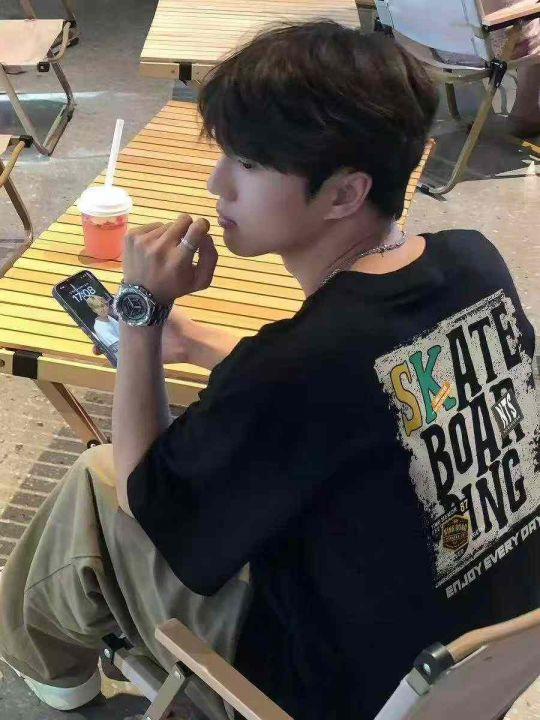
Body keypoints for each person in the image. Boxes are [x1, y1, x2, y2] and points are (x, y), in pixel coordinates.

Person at [1, 20, 539, 720]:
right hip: (468, 660)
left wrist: (141, 315)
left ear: (344, 194)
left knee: (95, 480)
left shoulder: (293, 368)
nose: (216, 183)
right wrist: (197, 342)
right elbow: (370, 390)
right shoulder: (473, 261)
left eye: (249, 164)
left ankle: (51, 673)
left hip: (315, 689)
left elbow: (146, 497)